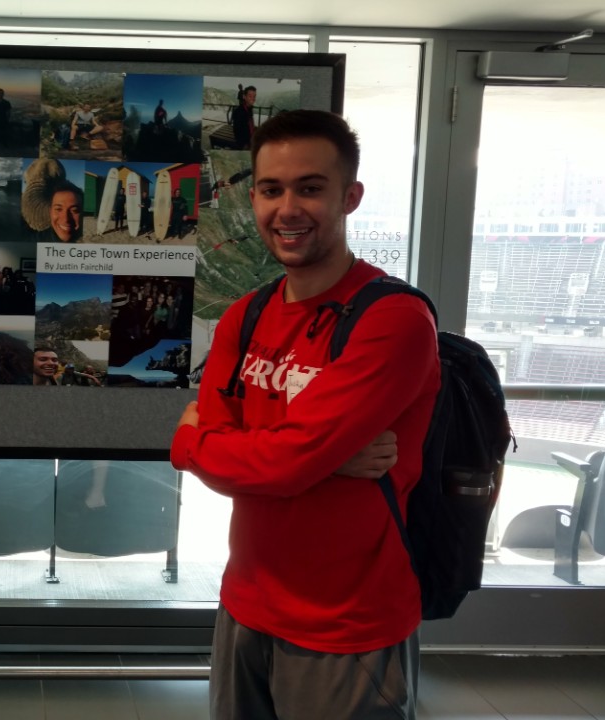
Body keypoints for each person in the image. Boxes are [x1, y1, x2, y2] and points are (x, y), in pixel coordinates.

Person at [169, 110, 440, 720]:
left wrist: (196, 444)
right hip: (245, 605)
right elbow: (276, 455)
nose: (287, 209)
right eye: (271, 189)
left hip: (348, 624)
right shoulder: (247, 316)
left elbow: (274, 462)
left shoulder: (392, 320)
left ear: (350, 197)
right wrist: (310, 454)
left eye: (310, 188)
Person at [230, 86, 257, 150]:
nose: (253, 98)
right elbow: (236, 132)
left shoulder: (249, 108)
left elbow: (248, 124)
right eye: (250, 96)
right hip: (244, 144)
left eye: (254, 96)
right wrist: (244, 145)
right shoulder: (239, 112)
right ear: (244, 97)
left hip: (250, 139)